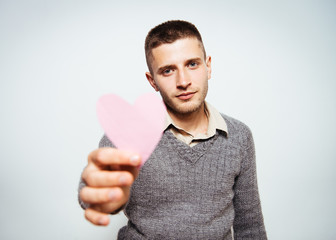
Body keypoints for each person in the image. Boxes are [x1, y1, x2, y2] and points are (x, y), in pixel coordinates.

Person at [78, 20, 267, 239]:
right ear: (153, 81)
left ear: (208, 66)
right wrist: (99, 196)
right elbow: (95, 193)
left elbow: (250, 227)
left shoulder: (239, 136)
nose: (183, 81)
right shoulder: (127, 133)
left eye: (192, 64)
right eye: (168, 70)